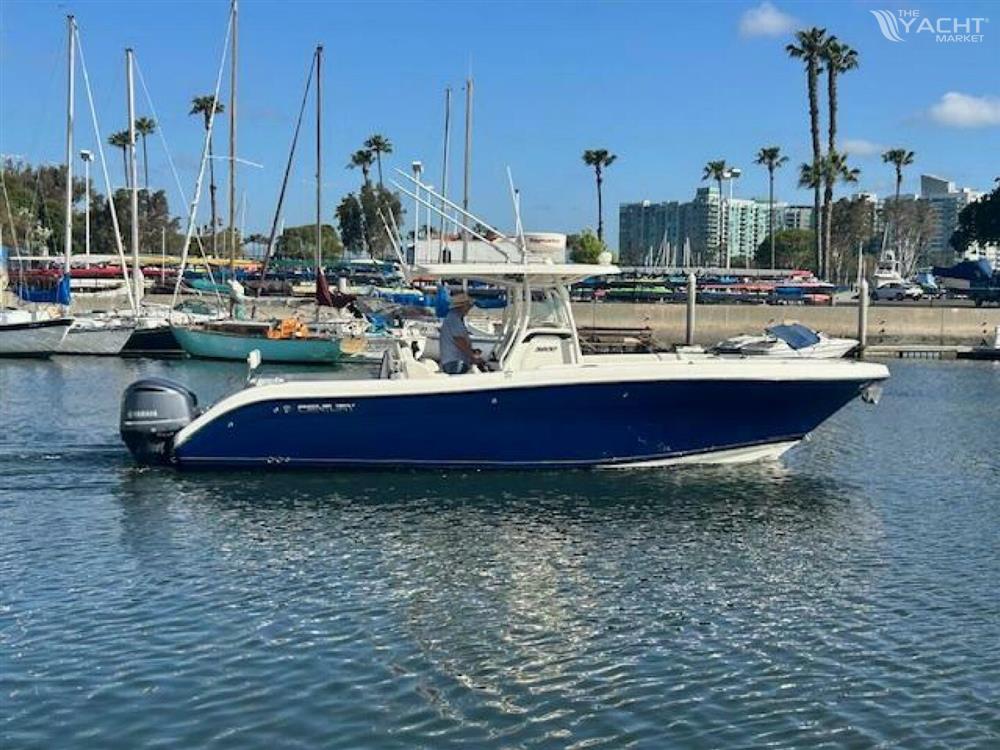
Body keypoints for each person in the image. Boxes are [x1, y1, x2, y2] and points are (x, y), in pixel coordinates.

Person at [439, 292, 483, 374]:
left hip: (454, 362)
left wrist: (472, 351)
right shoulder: (454, 319)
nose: (469, 309)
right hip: (455, 363)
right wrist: (472, 356)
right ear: (463, 306)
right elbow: (459, 341)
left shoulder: (454, 318)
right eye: (469, 306)